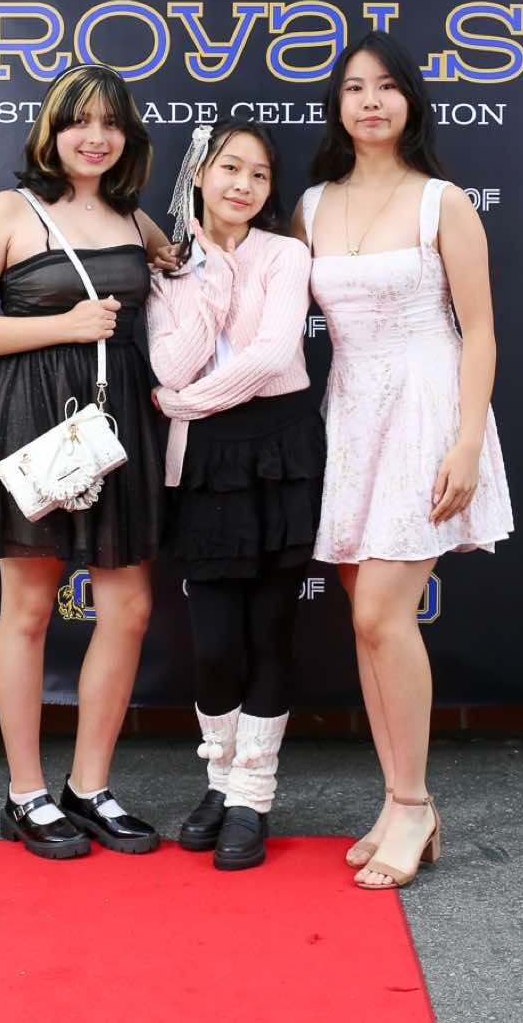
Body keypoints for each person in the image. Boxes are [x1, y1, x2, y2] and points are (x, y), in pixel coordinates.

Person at [0, 64, 177, 859]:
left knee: (128, 608)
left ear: (128, 136)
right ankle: (26, 794)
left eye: (111, 123)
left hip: (120, 423)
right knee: (30, 610)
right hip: (38, 424)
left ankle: (90, 786)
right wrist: (65, 325)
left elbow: (181, 271)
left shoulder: (133, 217)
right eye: (80, 121)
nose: (95, 137)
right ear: (52, 129)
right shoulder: (10, 211)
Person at [295, 32, 515, 889]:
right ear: (338, 106)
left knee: (384, 612)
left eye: (387, 86)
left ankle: (415, 800)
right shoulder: (312, 205)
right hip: (352, 415)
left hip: (428, 410)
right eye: (355, 88)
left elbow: (480, 330)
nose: (371, 101)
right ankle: (396, 800)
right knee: (366, 619)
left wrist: (468, 439)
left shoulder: (443, 203)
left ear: (411, 101)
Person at [146, 121, 324, 871]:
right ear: (200, 175)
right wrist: (210, 282)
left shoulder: (286, 254)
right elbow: (170, 362)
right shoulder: (167, 269)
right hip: (204, 463)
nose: (243, 185)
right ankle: (219, 781)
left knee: (269, 631)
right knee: (214, 642)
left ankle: (253, 796)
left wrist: (182, 404)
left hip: (279, 448)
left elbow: (274, 354)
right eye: (229, 168)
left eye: (258, 174)